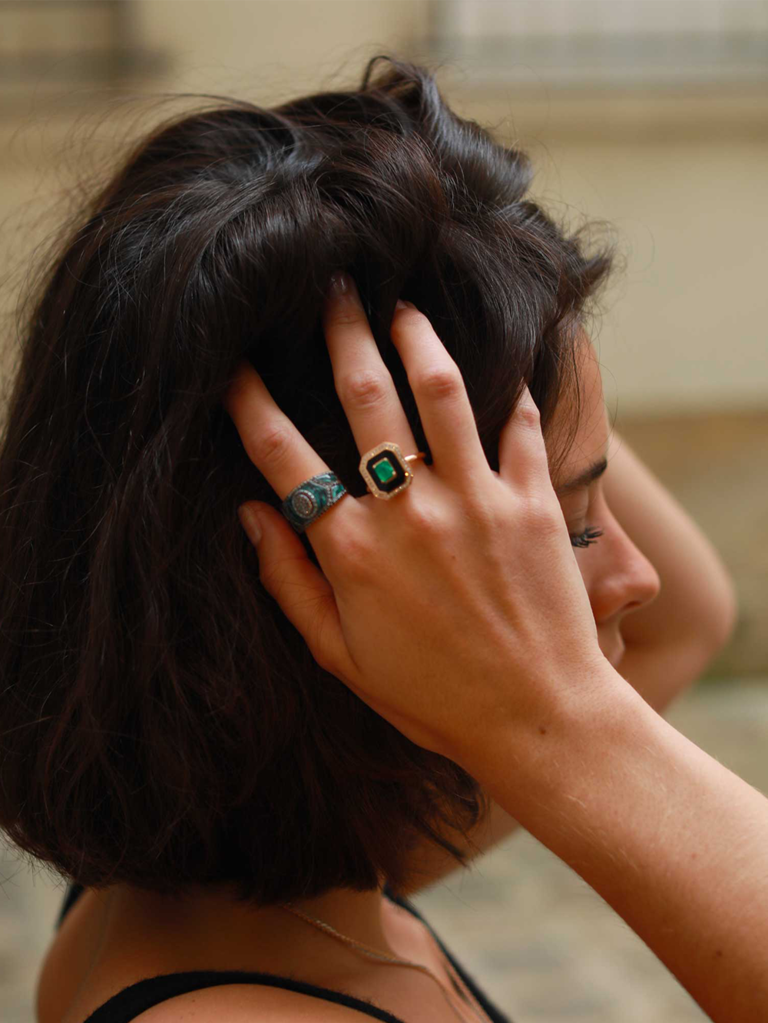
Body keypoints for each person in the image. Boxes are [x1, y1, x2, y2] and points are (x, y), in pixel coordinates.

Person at [0, 56, 746, 1023]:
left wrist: (484, 297)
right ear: (344, 576)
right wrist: (560, 716)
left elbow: (686, 622)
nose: (634, 573)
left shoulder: (296, 872)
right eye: (564, 529)